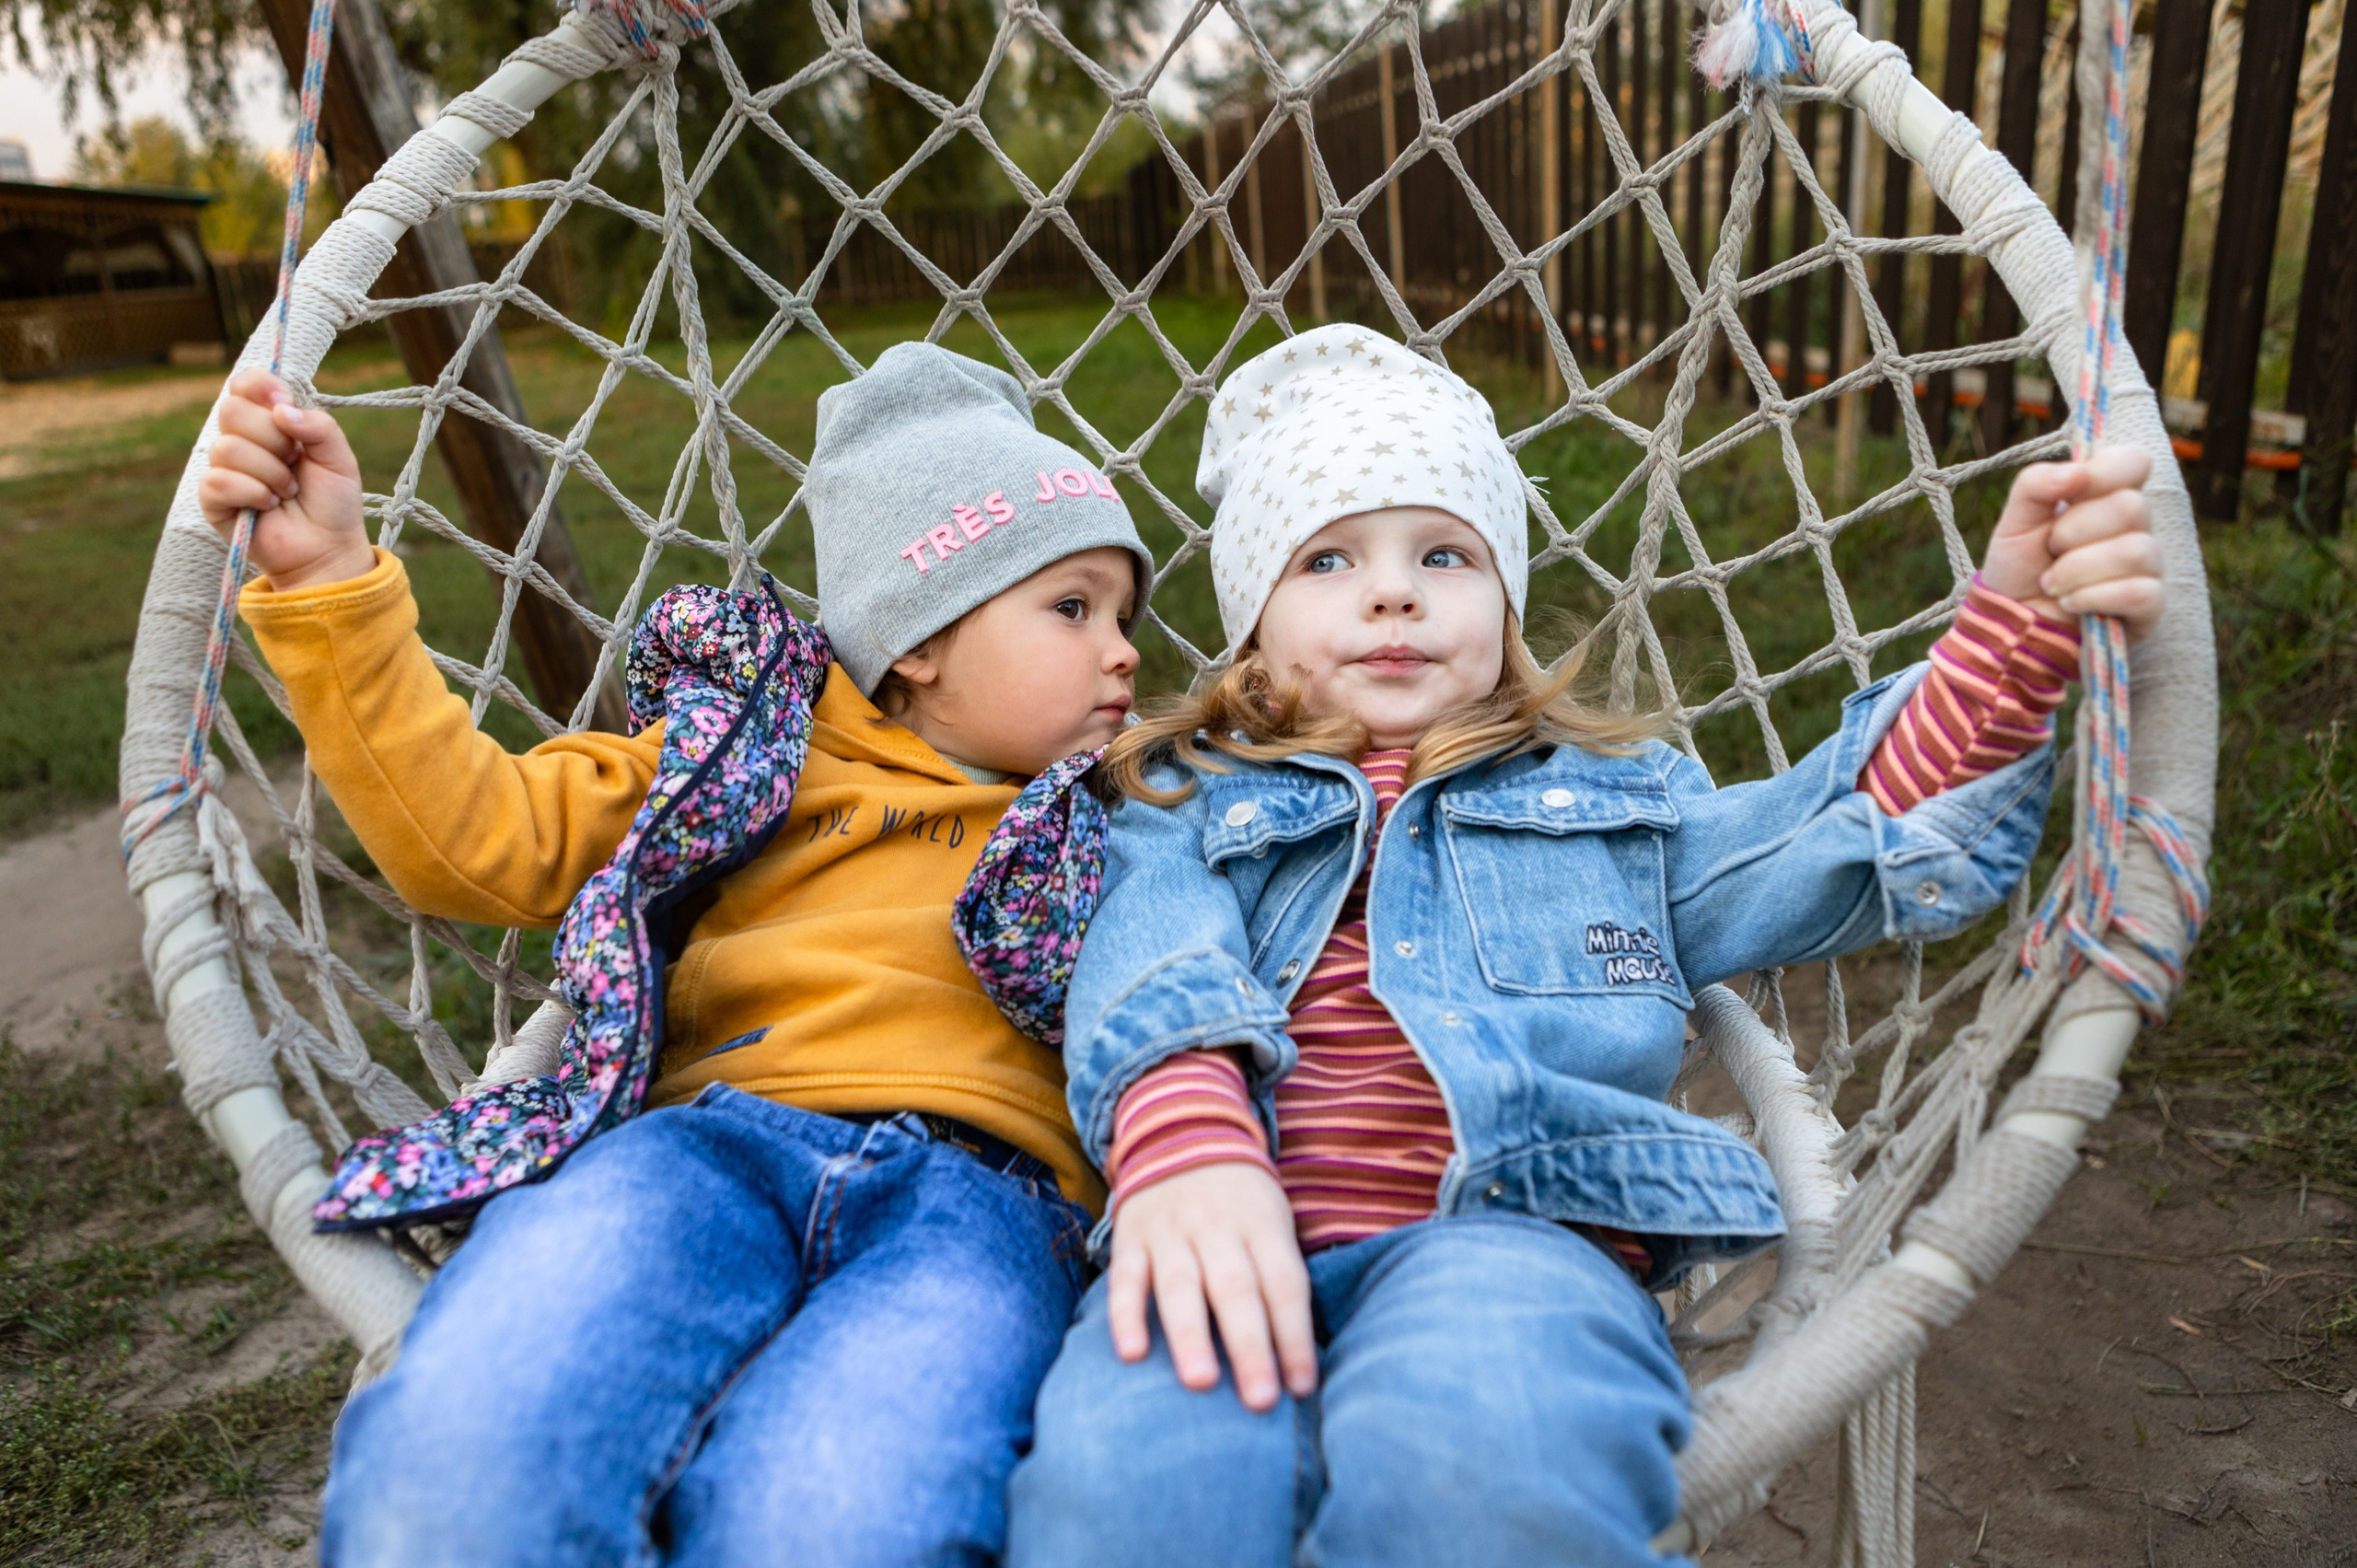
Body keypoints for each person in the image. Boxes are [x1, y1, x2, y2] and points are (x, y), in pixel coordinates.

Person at [1005, 322, 2165, 1567]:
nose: (1393, 592)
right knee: (1125, 1500)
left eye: (1444, 554)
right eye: (1329, 557)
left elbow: (1834, 833)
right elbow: (1148, 954)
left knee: (1489, 1474)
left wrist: (2016, 629)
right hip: (1217, 1224)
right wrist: (1185, 1147)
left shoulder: (1608, 806)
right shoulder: (1186, 798)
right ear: (1252, 622)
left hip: (1517, 1239)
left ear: (1502, 605)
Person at [196, 342, 1155, 1568]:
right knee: (463, 1453)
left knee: (841, 1520)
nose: (1125, 649)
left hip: (985, 1208)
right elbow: (474, 840)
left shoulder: (1134, 811)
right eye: (1073, 607)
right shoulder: (743, 755)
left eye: (1125, 615)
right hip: (703, 1153)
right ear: (918, 635)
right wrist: (332, 574)